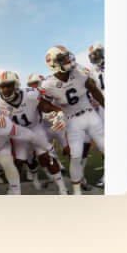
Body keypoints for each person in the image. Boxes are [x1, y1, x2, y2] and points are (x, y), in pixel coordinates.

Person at [39, 46, 105, 192]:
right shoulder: (48, 84)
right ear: (53, 64)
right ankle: (77, 189)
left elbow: (93, 89)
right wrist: (57, 111)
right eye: (62, 58)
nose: (68, 60)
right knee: (75, 155)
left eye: (67, 56)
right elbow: (43, 103)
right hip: (71, 120)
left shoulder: (79, 72)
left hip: (90, 114)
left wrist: (106, 106)